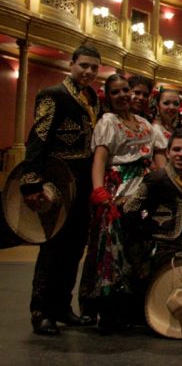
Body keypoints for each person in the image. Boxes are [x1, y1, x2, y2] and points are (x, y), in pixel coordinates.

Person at [22, 45, 103, 335]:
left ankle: (62, 307)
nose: (89, 72)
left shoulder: (94, 98)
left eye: (94, 67)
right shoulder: (53, 95)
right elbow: (38, 139)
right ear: (71, 64)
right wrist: (32, 182)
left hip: (84, 181)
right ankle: (41, 311)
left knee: (75, 245)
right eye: (84, 65)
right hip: (57, 179)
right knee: (53, 245)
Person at [81, 74, 154, 333]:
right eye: (117, 92)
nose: (124, 95)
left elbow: (153, 159)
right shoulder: (108, 122)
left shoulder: (145, 123)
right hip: (119, 187)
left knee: (139, 248)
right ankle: (110, 309)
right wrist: (99, 191)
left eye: (126, 90)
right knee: (114, 248)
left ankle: (135, 307)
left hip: (143, 189)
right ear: (108, 97)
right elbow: (100, 158)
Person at [124, 130, 182, 262]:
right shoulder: (156, 178)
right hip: (163, 249)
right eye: (176, 149)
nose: (181, 154)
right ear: (168, 153)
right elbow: (130, 208)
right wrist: (143, 239)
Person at [150, 88, 182, 170]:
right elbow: (162, 169)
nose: (171, 107)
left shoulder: (173, 129)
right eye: (166, 103)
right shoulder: (156, 130)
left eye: (176, 104)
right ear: (158, 106)